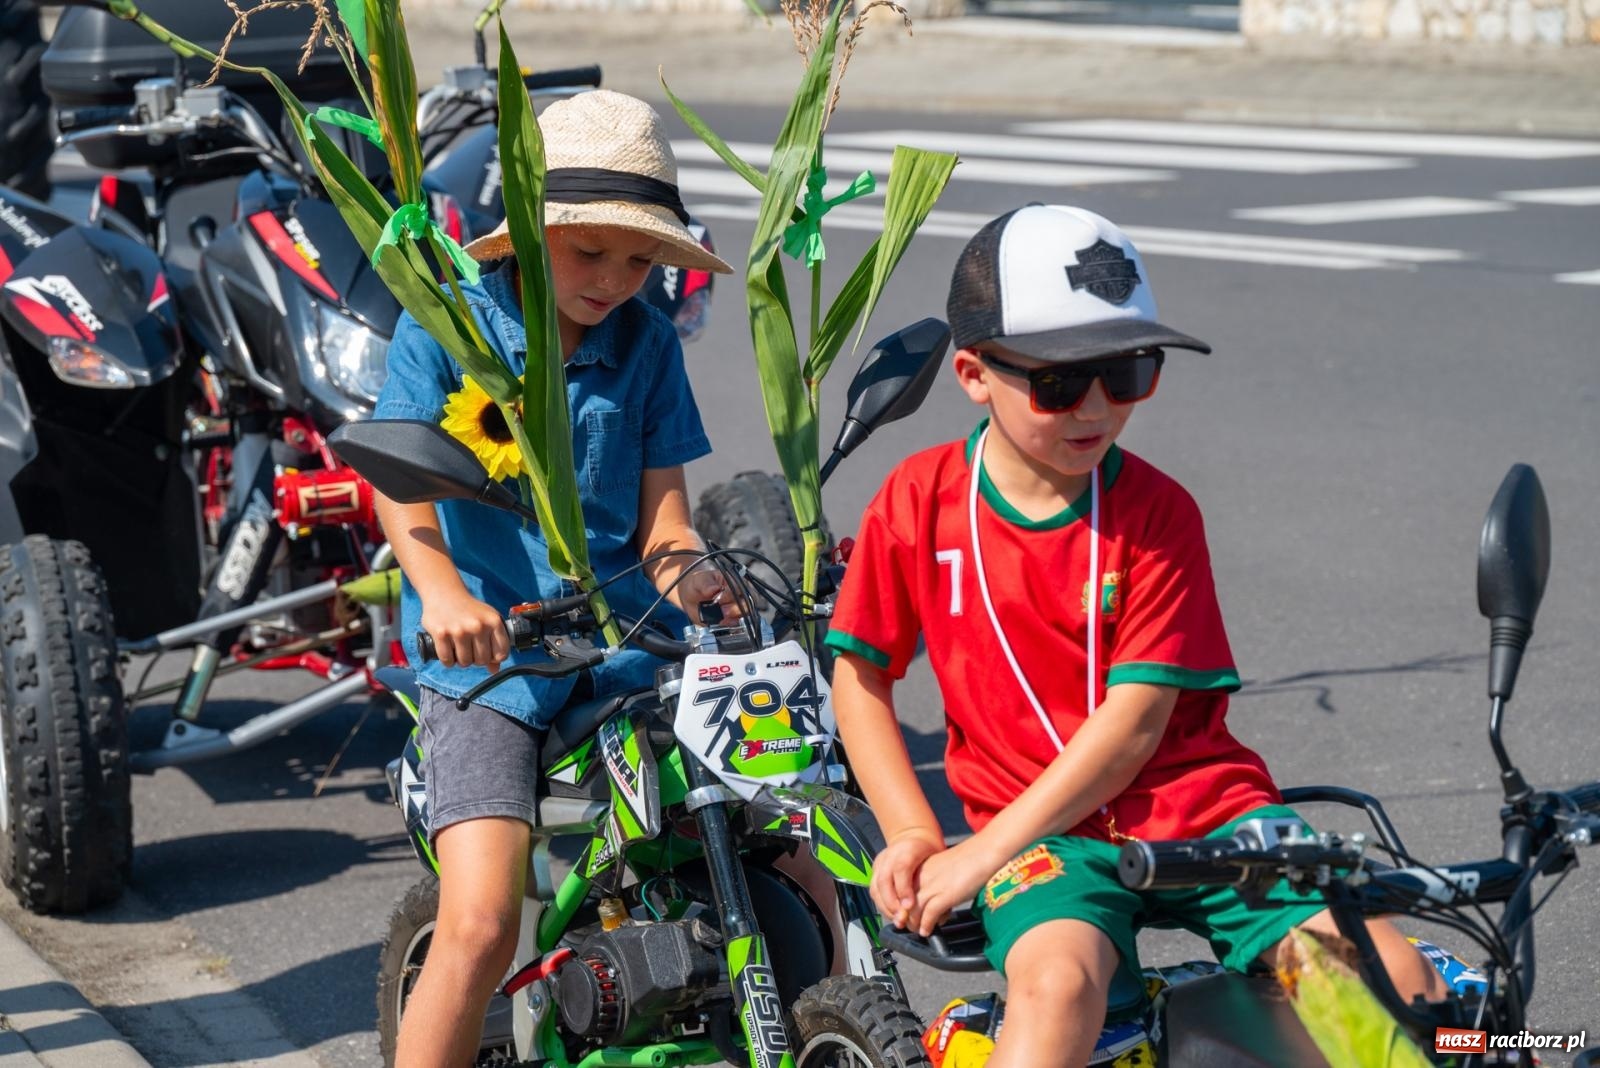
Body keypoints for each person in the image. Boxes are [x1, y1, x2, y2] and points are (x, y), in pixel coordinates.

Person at [824, 204, 1447, 1068]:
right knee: (1057, 991)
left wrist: (978, 857)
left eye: (1127, 372)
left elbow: (1133, 729)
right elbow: (859, 675)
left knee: (1391, 983)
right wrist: (915, 835)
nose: (1096, 407)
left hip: (1201, 814)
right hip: (1045, 841)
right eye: (1059, 383)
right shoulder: (918, 498)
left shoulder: (1159, 513)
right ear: (972, 373)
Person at [372, 90, 734, 1067]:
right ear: (528, 230)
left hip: (627, 645)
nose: (616, 278)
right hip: (492, 662)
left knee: (783, 851)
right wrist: (445, 596)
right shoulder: (449, 328)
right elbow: (399, 493)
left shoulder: (647, 342)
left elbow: (665, 519)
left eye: (639, 257)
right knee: (484, 919)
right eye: (589, 251)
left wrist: (700, 579)